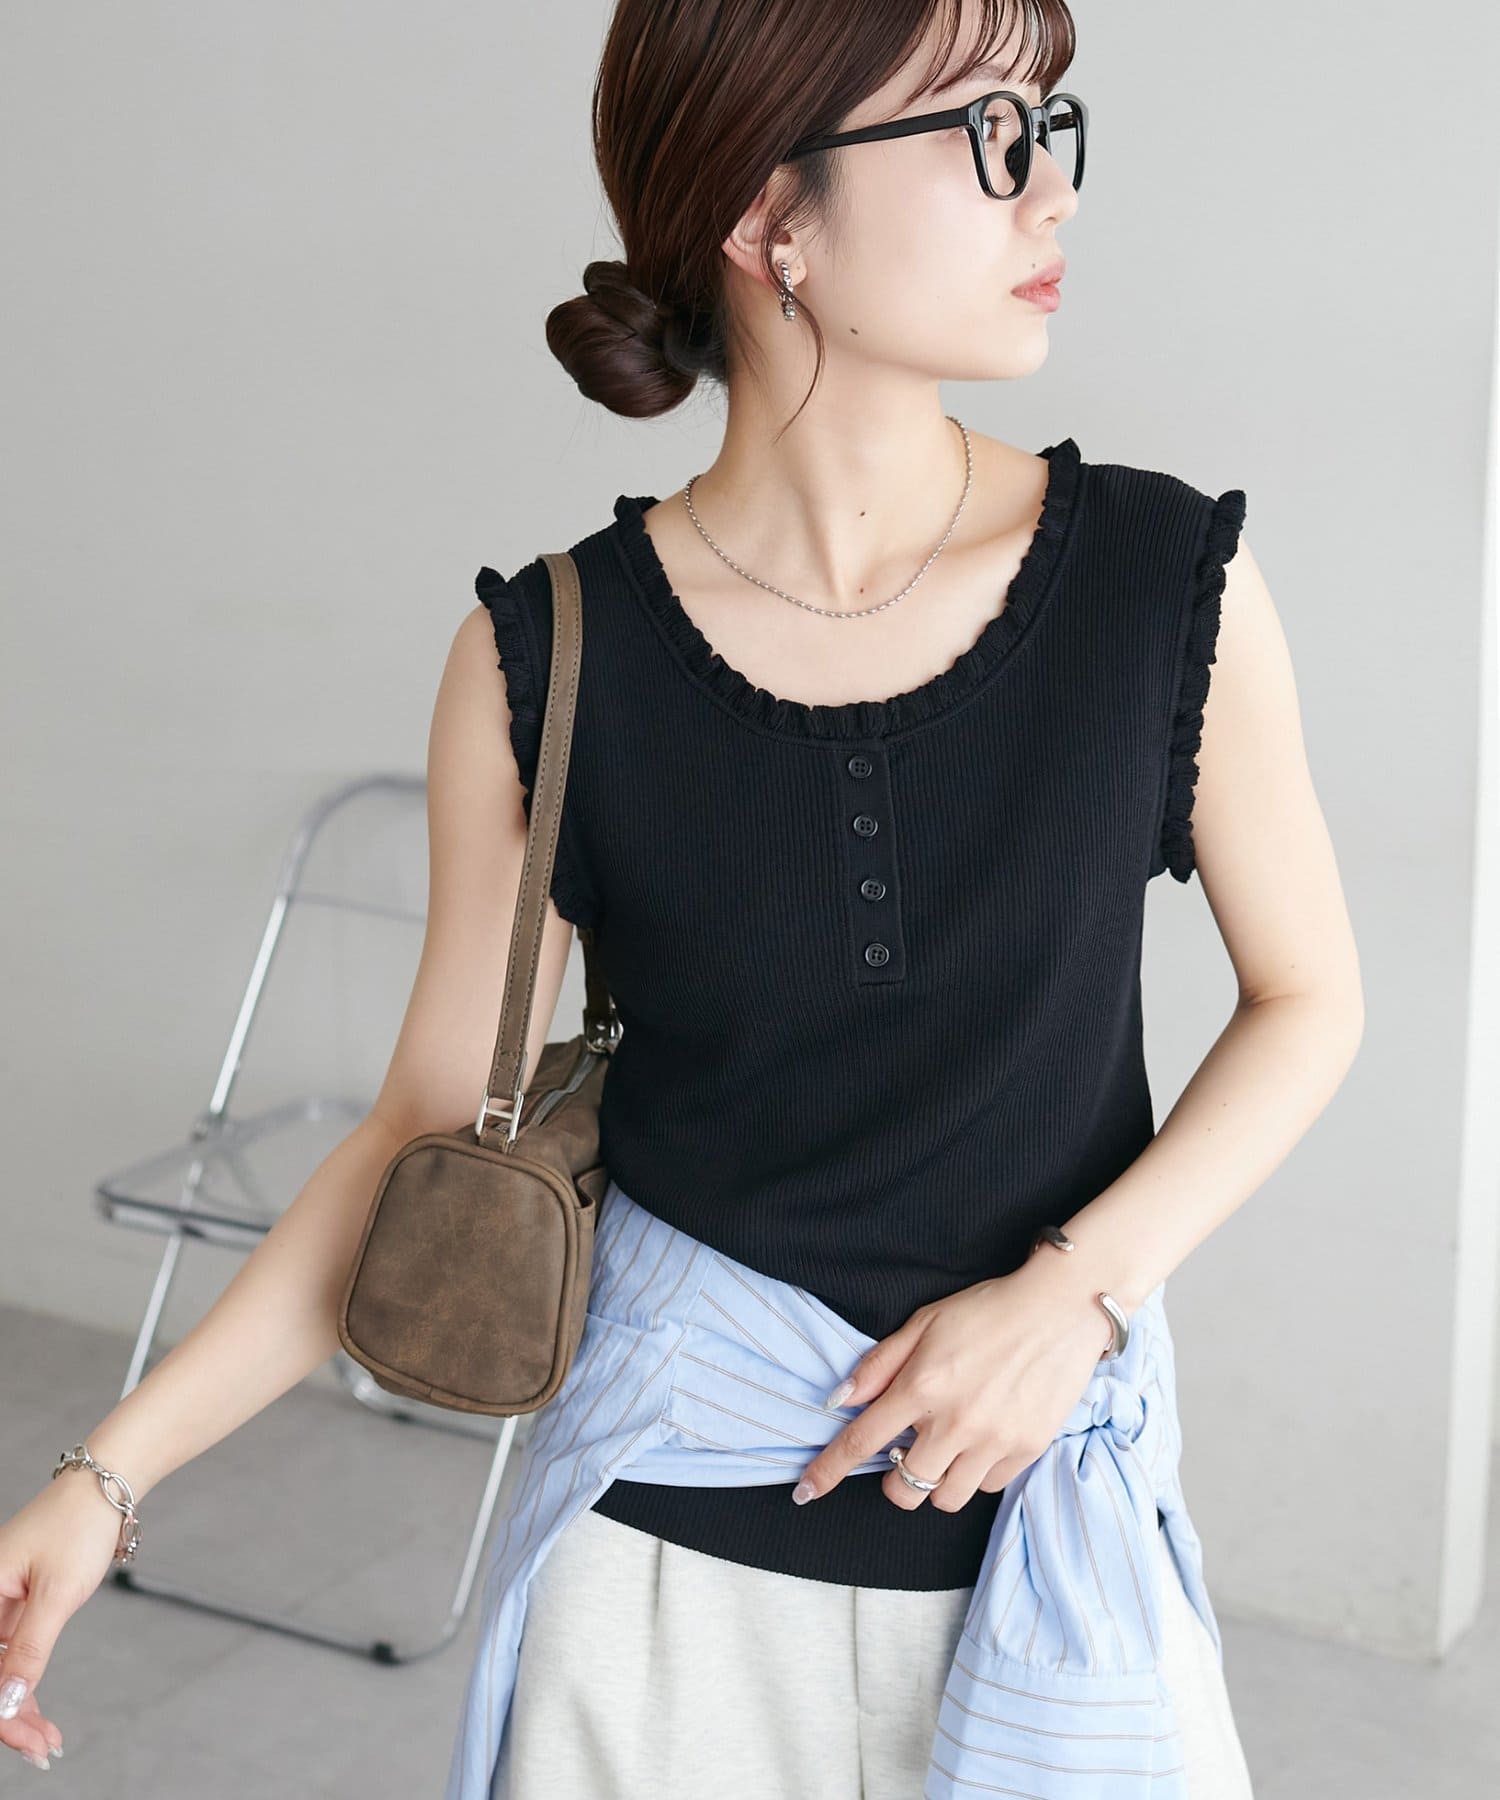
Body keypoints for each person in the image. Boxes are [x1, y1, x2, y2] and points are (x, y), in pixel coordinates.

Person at [0, 0, 1363, 1792]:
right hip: (655, 1600)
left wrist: (1078, 1295)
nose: (1053, 195)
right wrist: (100, 1482)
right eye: (985, 135)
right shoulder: (549, 659)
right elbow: (422, 1136)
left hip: (1053, 1556)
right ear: (767, 216)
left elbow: (1309, 1000)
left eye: (1052, 128)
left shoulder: (1160, 580)